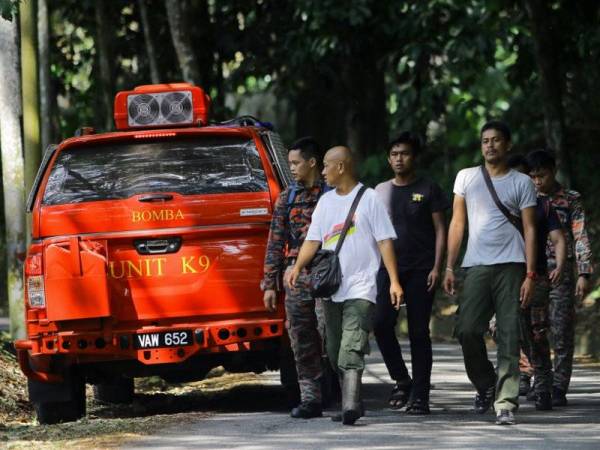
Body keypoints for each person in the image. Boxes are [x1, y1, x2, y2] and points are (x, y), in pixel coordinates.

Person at [286, 146, 403, 425]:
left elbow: (385, 240)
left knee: (351, 344)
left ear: (341, 167)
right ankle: (352, 401)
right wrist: (298, 266)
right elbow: (313, 240)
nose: (323, 171)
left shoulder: (370, 198)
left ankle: (350, 404)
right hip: (331, 288)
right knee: (337, 346)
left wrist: (394, 281)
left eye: (326, 165)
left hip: (361, 288)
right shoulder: (325, 203)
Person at [443, 120, 537, 426]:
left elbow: (530, 228)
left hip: (512, 265)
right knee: (468, 329)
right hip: (476, 265)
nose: (490, 145)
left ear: (507, 145)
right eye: (485, 140)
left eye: (496, 140)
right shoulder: (466, 178)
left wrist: (531, 274)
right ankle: (486, 383)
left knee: (509, 333)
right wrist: (448, 265)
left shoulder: (521, 182)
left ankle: (505, 401)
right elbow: (457, 224)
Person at [374, 132, 449, 415]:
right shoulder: (379, 191)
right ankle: (402, 379)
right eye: (394, 154)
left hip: (421, 268)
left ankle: (420, 395)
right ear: (388, 158)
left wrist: (437, 267)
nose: (398, 159)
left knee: (419, 331)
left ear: (414, 157)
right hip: (387, 267)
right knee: (380, 323)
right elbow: (372, 233)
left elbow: (441, 229)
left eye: (404, 153)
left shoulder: (428, 188)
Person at [261, 137, 329, 419]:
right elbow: (275, 242)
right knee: (301, 337)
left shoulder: (334, 194)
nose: (291, 168)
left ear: (312, 162)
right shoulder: (287, 198)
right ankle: (310, 397)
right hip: (296, 276)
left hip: (329, 271)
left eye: (296, 163)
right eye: (289, 163)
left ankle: (344, 389)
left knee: (332, 336)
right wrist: (269, 284)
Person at [526, 149, 594, 406]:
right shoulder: (526, 198)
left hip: (561, 272)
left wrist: (584, 272)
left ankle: (559, 386)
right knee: (534, 329)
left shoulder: (571, 199)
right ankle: (539, 380)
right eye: (532, 176)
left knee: (561, 329)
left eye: (541, 175)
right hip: (533, 272)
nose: (537, 182)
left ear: (553, 171)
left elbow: (580, 235)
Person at [506, 154, 567, 410]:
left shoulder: (543, 206)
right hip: (506, 275)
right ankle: (513, 378)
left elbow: (559, 238)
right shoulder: (501, 203)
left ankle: (543, 383)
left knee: (538, 331)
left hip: (537, 276)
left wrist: (561, 265)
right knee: (504, 328)